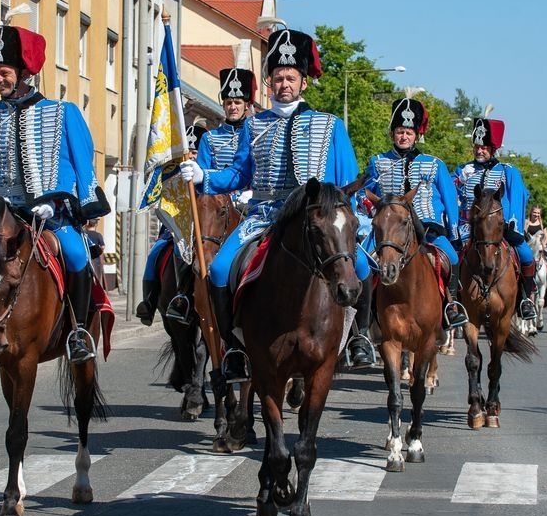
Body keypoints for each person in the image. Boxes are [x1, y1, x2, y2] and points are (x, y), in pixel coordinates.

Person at [180, 27, 368, 383]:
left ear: (303, 82)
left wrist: (349, 222)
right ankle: (234, 347)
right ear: (270, 82)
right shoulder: (254, 125)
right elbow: (238, 174)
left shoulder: (330, 125)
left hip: (319, 219)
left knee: (361, 267)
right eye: (278, 78)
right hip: (264, 216)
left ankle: (358, 338)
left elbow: (347, 184)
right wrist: (203, 175)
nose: (284, 84)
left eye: (291, 77)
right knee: (218, 271)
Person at [0, 24, 110, 364]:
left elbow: (84, 166)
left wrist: (64, 201)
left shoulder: (63, 112)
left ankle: (79, 333)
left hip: (51, 213)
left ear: (26, 72)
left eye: (4, 72)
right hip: (1, 212)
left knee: (74, 254)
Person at [362, 94, 467, 335]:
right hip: (388, 228)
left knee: (450, 257)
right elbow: (364, 194)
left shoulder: (434, 164)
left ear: (417, 135)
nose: (404, 136)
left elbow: (450, 200)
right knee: (363, 263)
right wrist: (368, 210)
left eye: (409, 132)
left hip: (428, 226)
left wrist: (453, 232)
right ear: (392, 134)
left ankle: (451, 304)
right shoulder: (378, 162)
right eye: (399, 131)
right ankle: (363, 319)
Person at [453, 118, 535, 320]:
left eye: (484, 147)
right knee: (451, 256)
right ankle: (451, 300)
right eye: (477, 147)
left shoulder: (508, 171)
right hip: (467, 227)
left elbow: (519, 196)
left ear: (493, 148)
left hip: (500, 227)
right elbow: (451, 193)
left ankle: (525, 298)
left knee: (526, 254)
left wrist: (511, 223)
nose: (479, 151)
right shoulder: (463, 171)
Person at [134, 124, 209, 326]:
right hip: (175, 231)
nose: (191, 156)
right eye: (188, 152)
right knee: (155, 254)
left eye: (195, 152)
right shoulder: (174, 175)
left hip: (207, 232)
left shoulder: (210, 173)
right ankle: (151, 302)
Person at [85, 219, 105, 285]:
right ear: (96, 225)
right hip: (96, 260)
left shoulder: (84, 234)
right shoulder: (98, 235)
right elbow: (102, 247)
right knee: (97, 277)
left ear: (88, 224)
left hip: (86, 258)